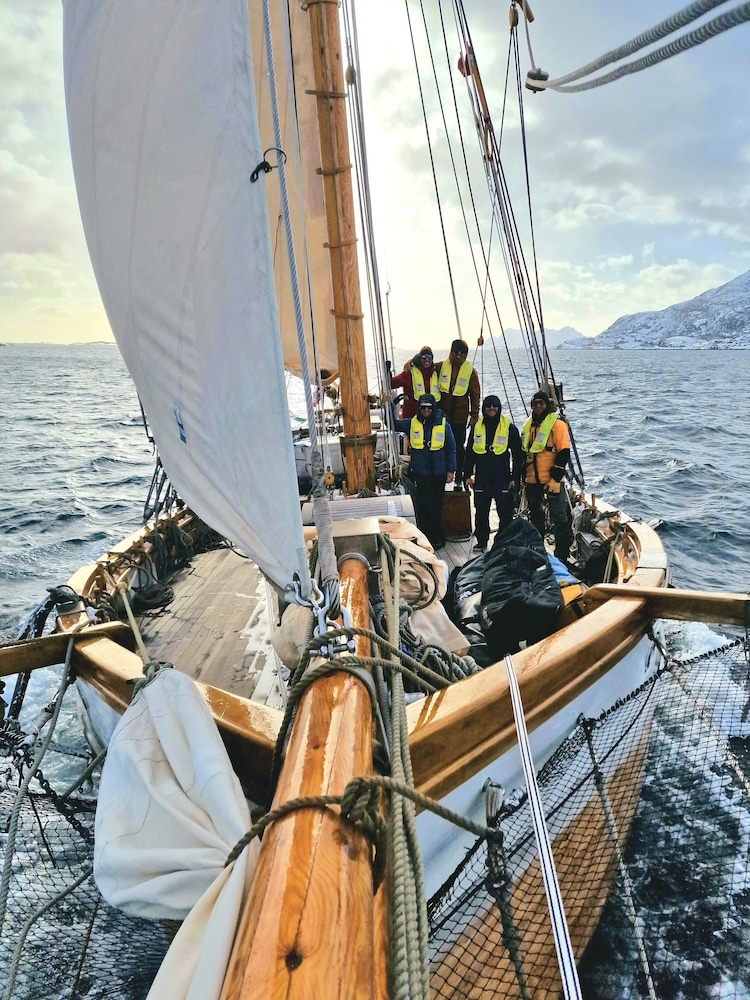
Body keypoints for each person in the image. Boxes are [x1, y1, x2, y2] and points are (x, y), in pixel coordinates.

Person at [395, 394, 456, 548]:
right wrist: (390, 404)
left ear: (433, 408)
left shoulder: (444, 425)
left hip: (439, 472)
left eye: (429, 408)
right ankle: (425, 537)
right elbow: (393, 424)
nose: (426, 410)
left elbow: (451, 448)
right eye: (423, 408)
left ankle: (438, 537)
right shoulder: (411, 423)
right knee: (423, 505)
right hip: (421, 472)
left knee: (436, 505)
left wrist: (451, 470)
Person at [464, 395, 523, 552]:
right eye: (488, 405)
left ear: (499, 407)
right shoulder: (476, 428)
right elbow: (469, 453)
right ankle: (482, 541)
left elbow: (518, 456)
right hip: (482, 476)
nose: (491, 408)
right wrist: (467, 475)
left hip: (501, 476)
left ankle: (502, 543)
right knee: (481, 511)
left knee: (505, 513)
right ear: (484, 408)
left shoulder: (509, 428)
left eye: (495, 405)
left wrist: (514, 478)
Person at [521, 388, 573, 561]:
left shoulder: (557, 425)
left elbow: (564, 453)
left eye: (541, 403)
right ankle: (538, 552)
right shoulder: (529, 425)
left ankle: (562, 556)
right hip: (532, 480)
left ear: (547, 405)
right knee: (536, 517)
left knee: (560, 518)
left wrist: (555, 479)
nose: (537, 406)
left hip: (552, 480)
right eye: (534, 403)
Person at [436, 339, 480, 489]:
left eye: (463, 352)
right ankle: (442, 474)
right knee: (440, 445)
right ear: (451, 352)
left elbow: (475, 395)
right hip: (443, 417)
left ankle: (459, 477)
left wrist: (474, 416)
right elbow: (424, 367)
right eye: (456, 352)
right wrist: (411, 363)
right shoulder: (440, 367)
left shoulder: (471, 372)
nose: (459, 355)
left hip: (460, 418)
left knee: (459, 448)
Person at [388, 346, 441, 419]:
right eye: (424, 357)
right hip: (411, 415)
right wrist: (388, 373)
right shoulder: (409, 373)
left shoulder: (436, 373)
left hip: (430, 417)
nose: (427, 359)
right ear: (419, 358)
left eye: (429, 357)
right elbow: (391, 383)